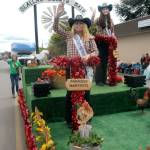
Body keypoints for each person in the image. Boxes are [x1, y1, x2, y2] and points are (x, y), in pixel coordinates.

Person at [53, 2, 98, 127]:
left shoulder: (90, 38)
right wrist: (57, 16)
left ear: (84, 25)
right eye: (76, 23)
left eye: (81, 23)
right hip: (72, 69)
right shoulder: (69, 35)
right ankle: (69, 119)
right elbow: (56, 29)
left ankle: (86, 117)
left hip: (85, 69)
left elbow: (96, 51)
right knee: (70, 93)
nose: (78, 25)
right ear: (73, 25)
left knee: (86, 94)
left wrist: (89, 55)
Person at [91, 3, 116, 85]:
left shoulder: (111, 21)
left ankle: (104, 80)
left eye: (107, 9)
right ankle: (98, 81)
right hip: (100, 42)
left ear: (109, 10)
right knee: (100, 61)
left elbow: (112, 32)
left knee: (105, 61)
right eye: (103, 9)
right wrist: (93, 14)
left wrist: (113, 38)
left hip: (108, 43)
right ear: (101, 10)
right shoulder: (98, 19)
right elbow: (91, 24)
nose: (105, 10)